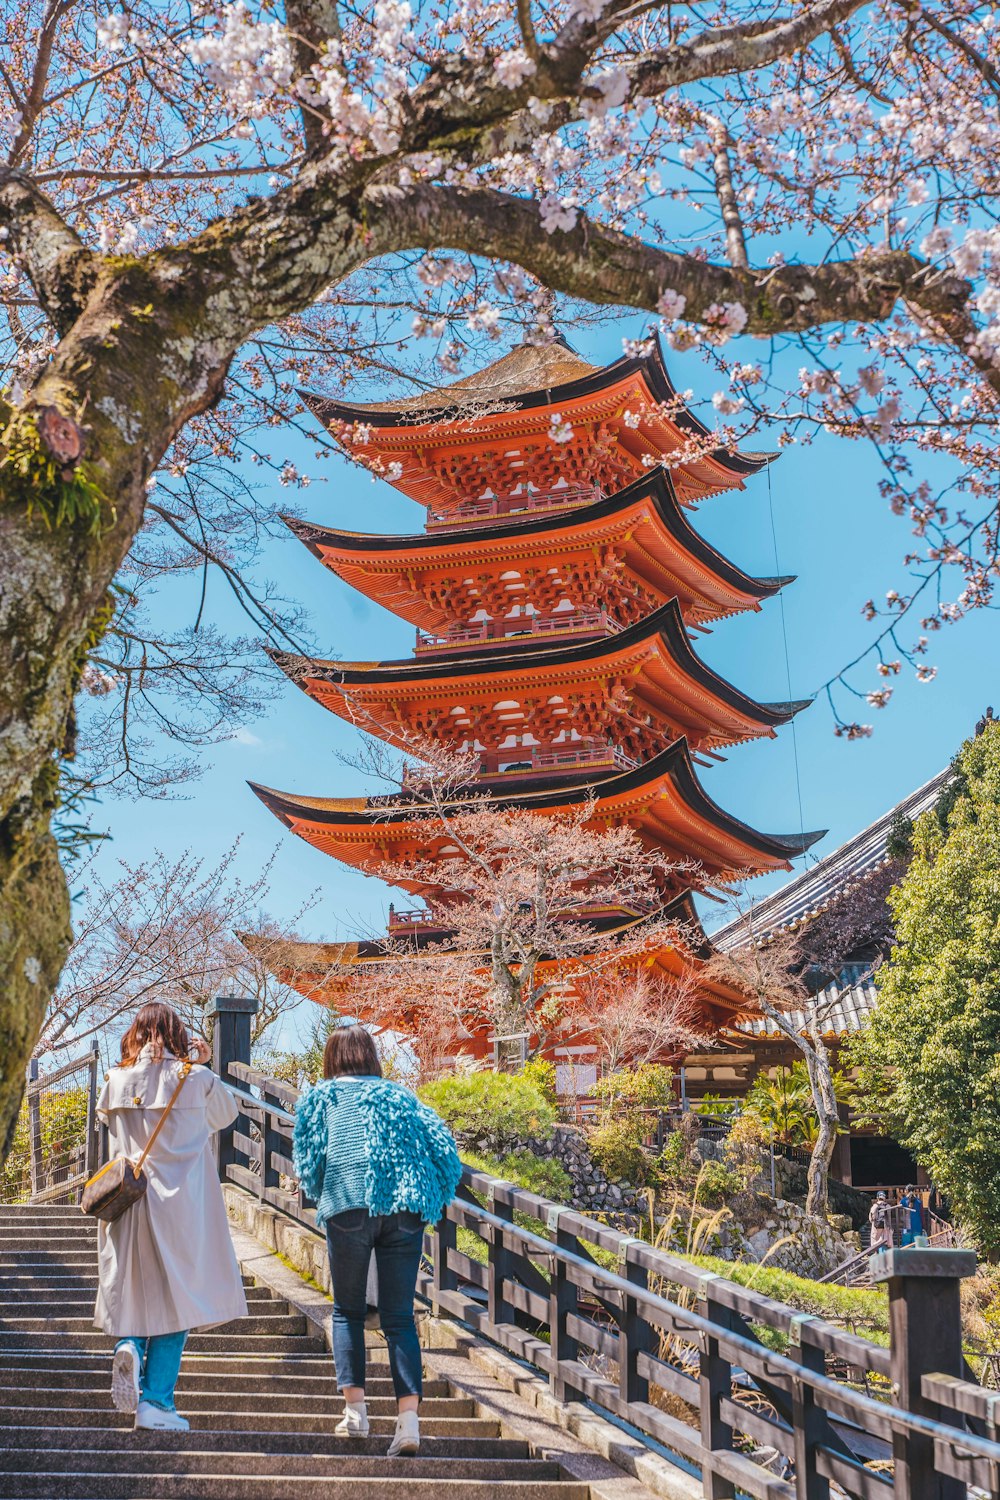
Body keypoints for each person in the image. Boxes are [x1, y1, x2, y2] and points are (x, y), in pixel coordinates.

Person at [293, 1026, 462, 1458]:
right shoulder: (401, 1097)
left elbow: (309, 1160)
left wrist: (319, 1191)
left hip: (348, 1205)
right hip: (405, 1210)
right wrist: (434, 1196)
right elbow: (445, 1151)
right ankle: (407, 1422)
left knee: (347, 1311)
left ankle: (356, 1414)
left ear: (332, 1058)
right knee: (400, 1318)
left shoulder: (322, 1097)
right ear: (371, 1057)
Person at [94, 1002, 248, 1430]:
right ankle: (157, 1402)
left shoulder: (115, 1081)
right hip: (180, 1207)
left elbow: (111, 1127)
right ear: (178, 1034)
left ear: (135, 1034)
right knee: (177, 1302)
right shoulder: (196, 1080)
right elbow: (226, 1116)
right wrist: (200, 1064)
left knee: (135, 1291)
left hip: (128, 1202)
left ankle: (129, 1346)